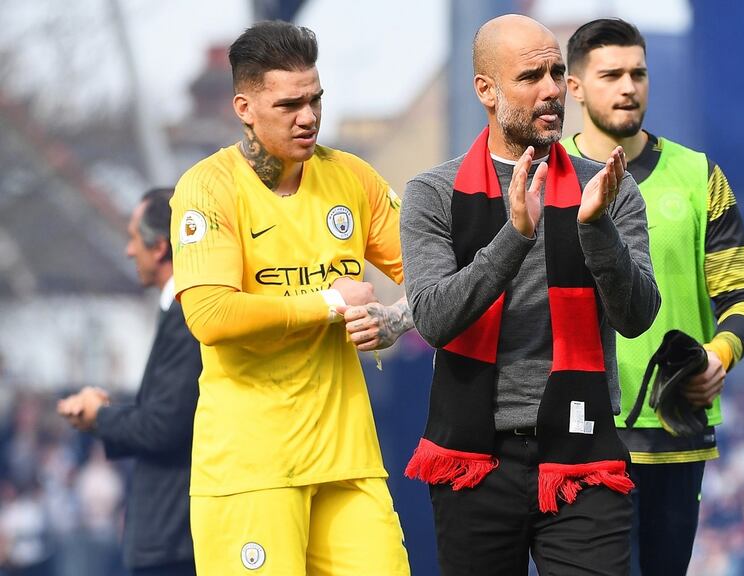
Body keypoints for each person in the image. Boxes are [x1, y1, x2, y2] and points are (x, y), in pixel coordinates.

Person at [400, 14, 660, 576]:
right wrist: (514, 236)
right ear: (485, 90)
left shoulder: (608, 187)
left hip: (583, 454)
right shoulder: (432, 193)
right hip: (475, 461)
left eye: (556, 72)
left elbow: (638, 316)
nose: (550, 90)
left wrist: (596, 231)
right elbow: (435, 318)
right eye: (530, 77)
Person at [169, 21, 413, 576]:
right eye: (289, 104)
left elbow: (437, 275)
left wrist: (397, 319)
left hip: (348, 461)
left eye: (316, 99)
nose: (308, 116)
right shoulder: (208, 188)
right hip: (252, 469)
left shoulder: (352, 177)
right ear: (245, 107)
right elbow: (209, 314)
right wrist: (327, 302)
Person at [561, 18, 744, 575]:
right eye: (611, 75)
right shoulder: (547, 180)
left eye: (638, 73)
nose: (628, 86)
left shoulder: (699, 176)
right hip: (581, 428)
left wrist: (718, 357)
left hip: (676, 428)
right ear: (574, 87)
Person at [57, 188, 201, 576]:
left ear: (158, 247)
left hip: (175, 541)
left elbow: (165, 425)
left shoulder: (189, 314)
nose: (127, 250)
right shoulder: (181, 310)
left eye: (133, 238)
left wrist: (98, 416)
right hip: (172, 537)